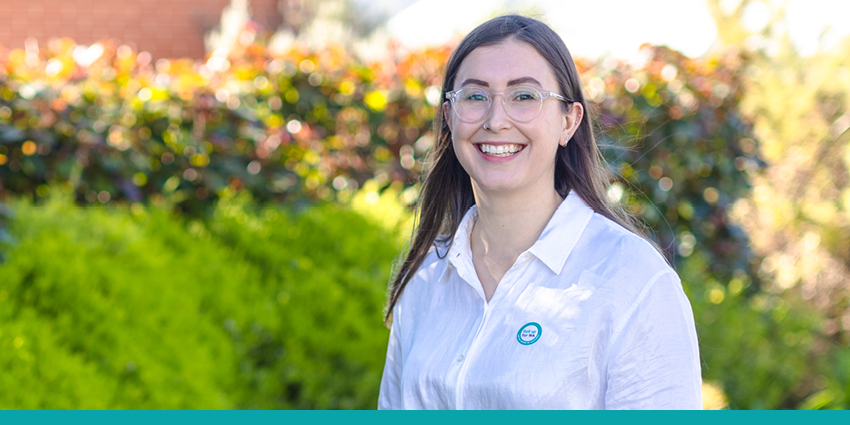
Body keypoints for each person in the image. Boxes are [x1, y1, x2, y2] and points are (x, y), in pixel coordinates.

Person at [377, 14, 702, 410]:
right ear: (449, 117)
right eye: (475, 96)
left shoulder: (632, 283)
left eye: (524, 96)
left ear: (569, 121)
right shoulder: (426, 279)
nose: (496, 120)